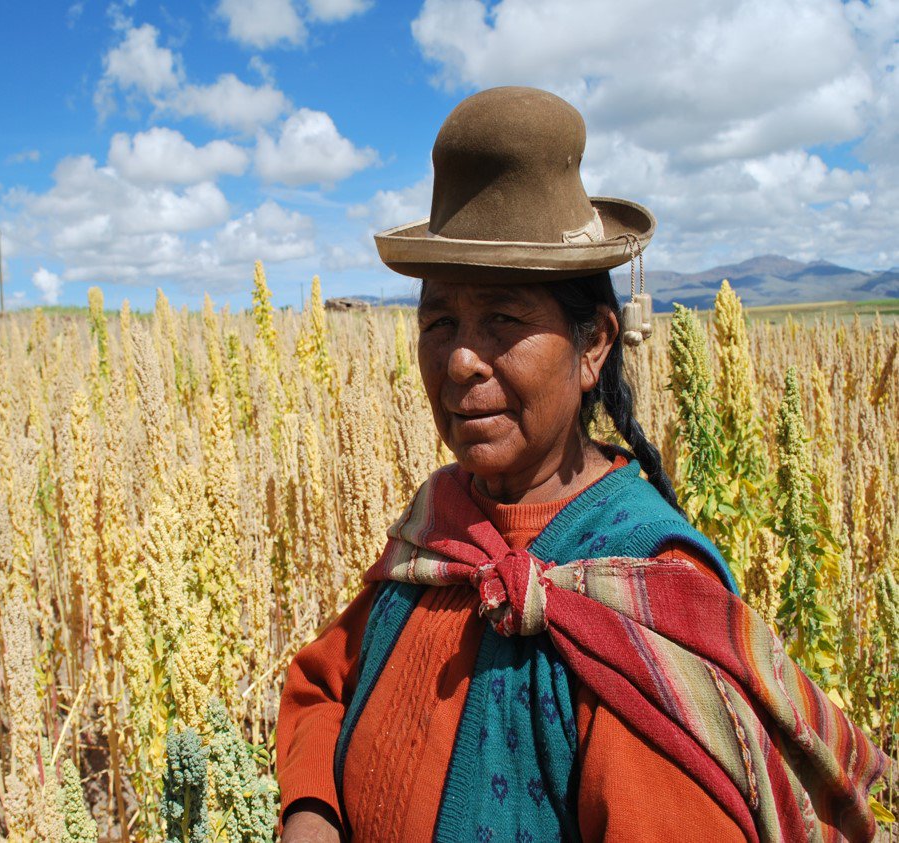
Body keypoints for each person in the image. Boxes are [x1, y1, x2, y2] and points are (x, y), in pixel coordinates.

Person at [277, 87, 888, 842]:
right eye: (438, 321)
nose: (461, 358)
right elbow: (324, 681)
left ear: (594, 342)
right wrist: (310, 811)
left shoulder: (641, 593)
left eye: (503, 318)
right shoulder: (438, 526)